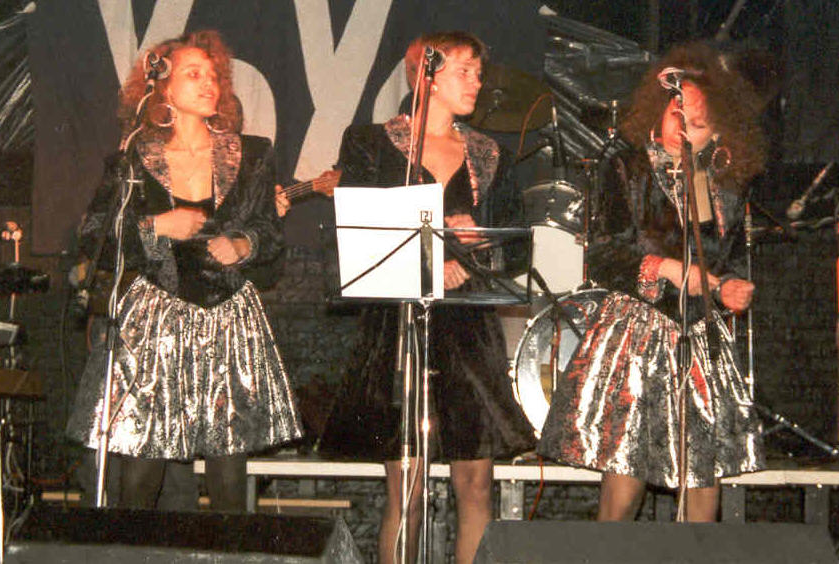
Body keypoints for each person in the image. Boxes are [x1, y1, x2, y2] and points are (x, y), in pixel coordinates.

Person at [318, 31, 536, 563]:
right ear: (427, 75)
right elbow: (360, 230)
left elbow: (513, 250)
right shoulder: (371, 143)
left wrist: (477, 243)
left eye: (479, 73)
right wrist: (432, 260)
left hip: (467, 331)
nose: (476, 83)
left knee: (476, 484)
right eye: (464, 71)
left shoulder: (489, 153)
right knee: (407, 488)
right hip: (401, 327)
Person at [66, 30, 302, 512]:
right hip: (155, 318)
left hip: (227, 317)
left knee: (228, 471)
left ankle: (228, 548)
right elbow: (94, 234)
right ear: (163, 89)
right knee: (142, 468)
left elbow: (270, 234)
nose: (208, 83)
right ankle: (135, 546)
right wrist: (156, 226)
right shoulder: (134, 157)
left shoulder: (252, 153)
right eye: (194, 74)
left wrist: (244, 244)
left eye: (213, 75)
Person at [537, 42, 766, 521]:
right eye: (676, 114)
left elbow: (729, 261)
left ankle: (696, 551)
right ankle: (611, 551)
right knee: (627, 463)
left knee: (702, 471)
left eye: (697, 124)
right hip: (637, 335)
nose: (682, 129)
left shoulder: (723, 186)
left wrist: (730, 287)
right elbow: (602, 255)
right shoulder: (627, 166)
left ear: (717, 133)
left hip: (700, 336)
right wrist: (666, 269)